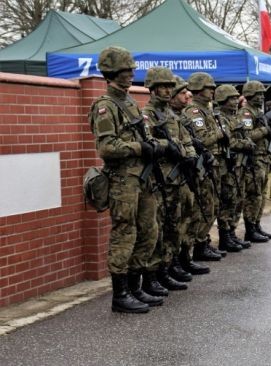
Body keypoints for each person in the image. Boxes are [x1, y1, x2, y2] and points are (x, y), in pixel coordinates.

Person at [89, 46, 162, 313]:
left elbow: (142, 135)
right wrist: (140, 148)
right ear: (112, 72)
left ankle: (135, 286)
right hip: (122, 181)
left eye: (131, 70)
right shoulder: (105, 106)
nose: (131, 74)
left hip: (141, 179)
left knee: (148, 229)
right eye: (125, 70)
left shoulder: (130, 102)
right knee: (124, 233)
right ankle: (120, 295)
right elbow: (106, 148)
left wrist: (152, 144)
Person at [142, 67, 204, 296]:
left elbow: (186, 141)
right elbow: (149, 145)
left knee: (174, 225)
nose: (168, 90)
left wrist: (187, 155)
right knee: (158, 228)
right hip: (160, 179)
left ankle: (167, 266)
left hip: (177, 177)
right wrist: (169, 148)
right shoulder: (148, 114)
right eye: (163, 86)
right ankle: (154, 274)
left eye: (170, 86)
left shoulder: (171, 115)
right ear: (153, 88)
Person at [183, 73, 244, 254]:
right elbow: (203, 138)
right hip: (205, 165)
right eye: (209, 88)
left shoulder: (207, 111)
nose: (212, 91)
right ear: (199, 90)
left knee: (215, 204)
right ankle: (198, 246)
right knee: (205, 206)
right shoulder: (194, 111)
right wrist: (221, 133)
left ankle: (204, 242)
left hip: (217, 163)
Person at [215, 84, 255, 252]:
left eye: (235, 98)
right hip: (229, 165)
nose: (234, 101)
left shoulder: (233, 117)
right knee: (228, 199)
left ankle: (231, 232)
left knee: (237, 199)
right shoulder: (220, 118)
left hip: (239, 164)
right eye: (230, 98)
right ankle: (225, 236)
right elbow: (228, 142)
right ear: (222, 100)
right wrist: (245, 144)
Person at [238, 80, 271, 243]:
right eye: (257, 94)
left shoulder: (258, 112)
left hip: (263, 157)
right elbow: (247, 136)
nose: (261, 97)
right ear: (249, 95)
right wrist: (264, 130)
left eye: (262, 94)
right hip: (253, 160)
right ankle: (250, 228)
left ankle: (257, 224)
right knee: (253, 194)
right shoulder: (246, 113)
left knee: (261, 194)